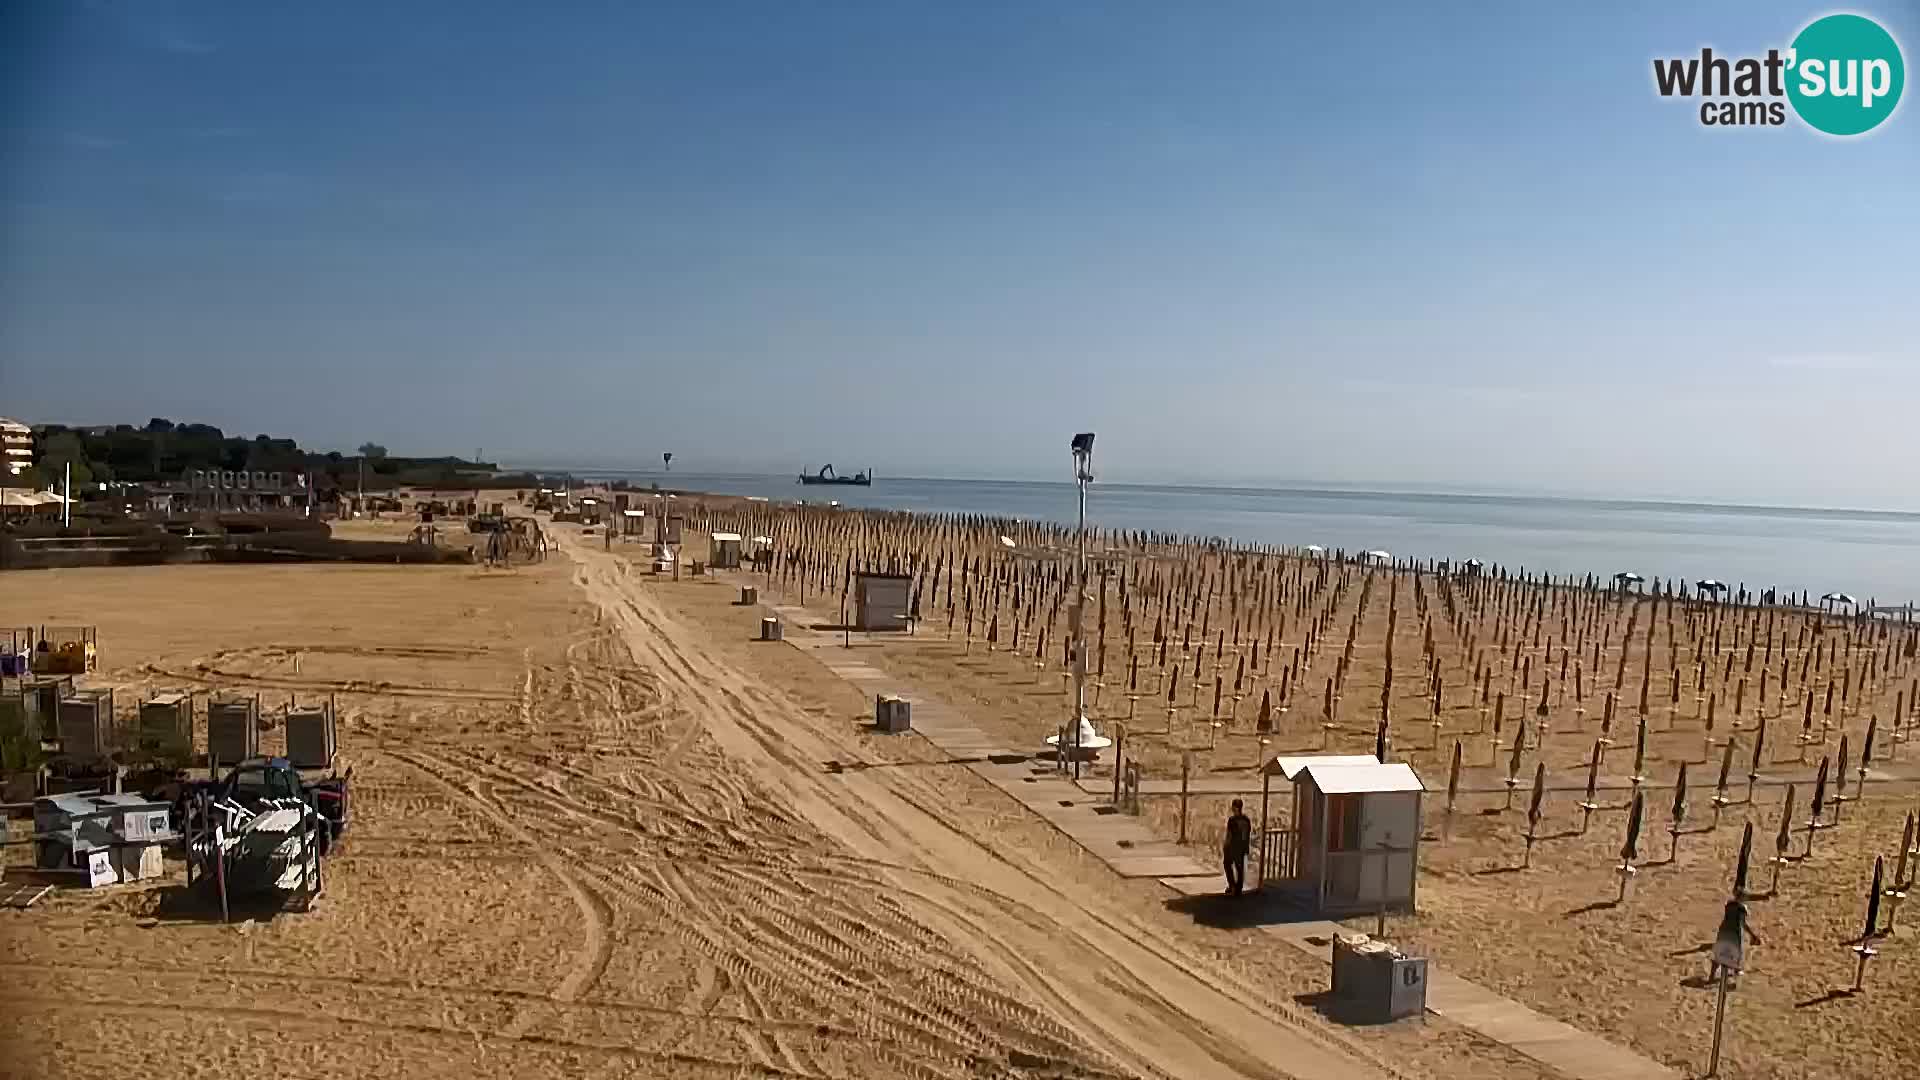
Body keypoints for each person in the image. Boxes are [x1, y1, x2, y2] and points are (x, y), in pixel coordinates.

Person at [1223, 799, 1253, 896]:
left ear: (1235, 807)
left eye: (1233, 806)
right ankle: (1238, 888)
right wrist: (1246, 847)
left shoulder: (1232, 820)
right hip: (1242, 846)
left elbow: (1229, 835)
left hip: (1233, 846)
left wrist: (1225, 846)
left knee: (1227, 864)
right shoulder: (1246, 819)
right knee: (1239, 867)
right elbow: (1247, 834)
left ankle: (1232, 886)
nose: (1232, 808)